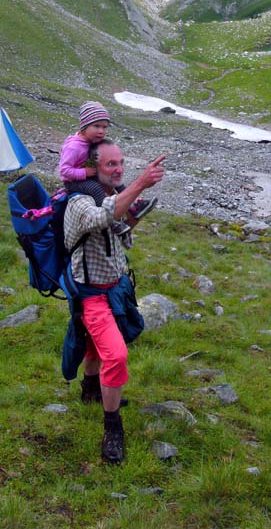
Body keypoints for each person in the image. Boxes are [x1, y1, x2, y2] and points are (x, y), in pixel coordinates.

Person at [63, 139, 165, 464]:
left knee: (96, 347)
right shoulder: (79, 202)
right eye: (111, 164)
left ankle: (91, 389)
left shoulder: (109, 195)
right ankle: (112, 429)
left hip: (114, 290)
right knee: (117, 356)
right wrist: (139, 184)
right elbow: (100, 219)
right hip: (92, 296)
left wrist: (133, 217)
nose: (119, 169)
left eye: (121, 163)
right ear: (92, 167)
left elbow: (118, 233)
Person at [58, 101, 157, 236]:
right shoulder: (74, 147)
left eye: (104, 127)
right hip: (74, 181)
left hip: (87, 174)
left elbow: (90, 158)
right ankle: (113, 221)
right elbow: (64, 171)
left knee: (114, 180)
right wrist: (85, 172)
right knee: (97, 189)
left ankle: (134, 206)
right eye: (96, 126)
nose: (101, 131)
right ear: (84, 126)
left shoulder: (90, 141)